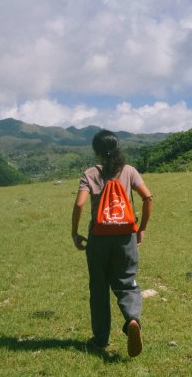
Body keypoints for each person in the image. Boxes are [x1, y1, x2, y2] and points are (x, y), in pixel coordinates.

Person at [71, 129, 153, 357]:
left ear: (96, 151)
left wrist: (75, 233)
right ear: (117, 148)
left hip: (98, 238)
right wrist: (142, 228)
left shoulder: (90, 174)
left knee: (98, 287)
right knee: (126, 282)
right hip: (126, 236)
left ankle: (100, 340)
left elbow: (79, 205)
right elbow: (148, 197)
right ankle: (132, 319)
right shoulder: (129, 171)